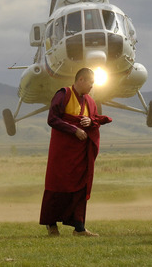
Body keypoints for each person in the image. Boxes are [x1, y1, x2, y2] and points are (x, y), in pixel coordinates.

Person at [39, 67, 112, 237]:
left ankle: (79, 227)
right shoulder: (63, 94)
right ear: (81, 80)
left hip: (80, 153)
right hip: (62, 151)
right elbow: (52, 119)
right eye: (91, 83)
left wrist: (89, 121)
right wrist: (74, 130)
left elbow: (94, 120)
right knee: (56, 185)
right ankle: (51, 224)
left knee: (80, 185)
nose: (92, 87)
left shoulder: (90, 102)